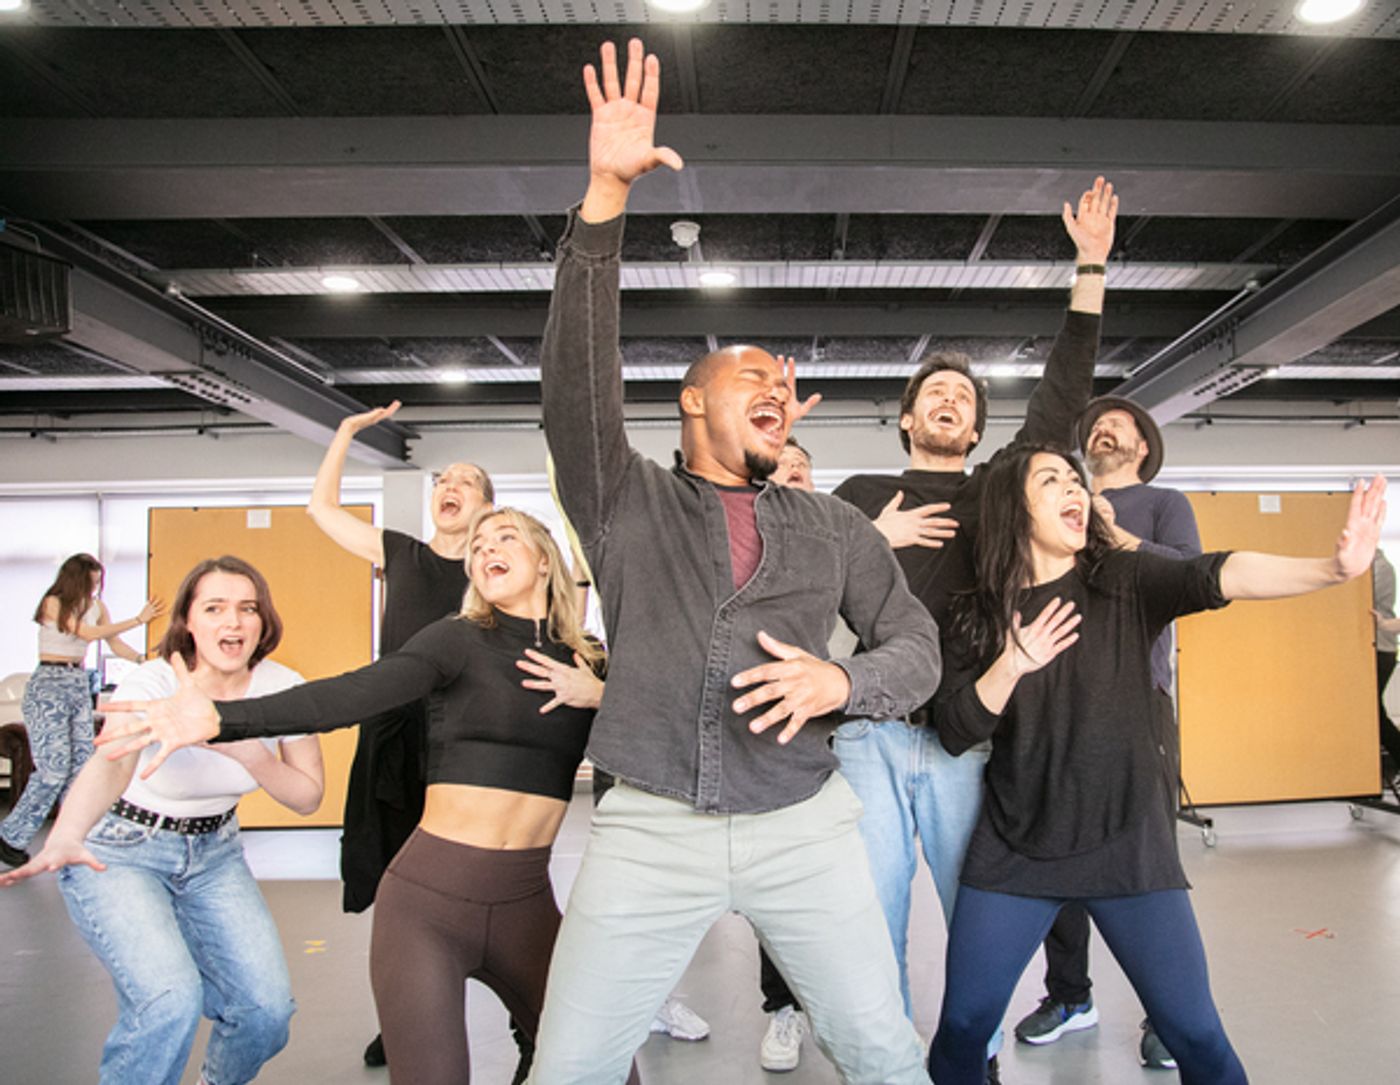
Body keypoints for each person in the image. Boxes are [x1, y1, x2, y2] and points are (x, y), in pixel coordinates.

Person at [526, 39, 942, 1085]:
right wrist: (602, 202)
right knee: (569, 1061)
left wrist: (843, 678)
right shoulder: (625, 500)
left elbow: (915, 644)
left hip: (804, 822)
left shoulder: (829, 523)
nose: (771, 385)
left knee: (883, 1048)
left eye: (781, 381)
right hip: (649, 822)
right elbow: (574, 385)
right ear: (689, 398)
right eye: (744, 374)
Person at [96, 508, 633, 1085]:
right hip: (428, 908)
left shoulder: (592, 659)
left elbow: (669, 730)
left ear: (545, 558)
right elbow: (352, 695)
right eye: (477, 545)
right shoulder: (456, 640)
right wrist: (221, 717)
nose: (484, 549)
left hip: (526, 905)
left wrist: (601, 693)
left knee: (607, 1072)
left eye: (504, 538)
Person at [926, 444, 1386, 1085]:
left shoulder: (1120, 580)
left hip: (1128, 846)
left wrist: (1332, 569)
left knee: (1194, 1032)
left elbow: (1219, 574)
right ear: (1012, 507)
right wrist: (1011, 664)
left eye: (1075, 480)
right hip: (1016, 850)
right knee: (964, 1030)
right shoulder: (973, 612)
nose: (1075, 490)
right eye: (1052, 479)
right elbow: (952, 732)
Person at [827, 170, 1114, 1082]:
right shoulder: (859, 497)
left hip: (963, 738)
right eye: (934, 391)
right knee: (868, 920)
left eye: (964, 394)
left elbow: (1062, 400)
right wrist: (877, 535)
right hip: (869, 735)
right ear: (908, 417)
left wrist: (1091, 273)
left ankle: (971, 1062)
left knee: (976, 919)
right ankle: (882, 1065)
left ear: (977, 424)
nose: (951, 398)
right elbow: (793, 581)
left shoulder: (996, 491)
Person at [0, 555, 324, 1085]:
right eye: (214, 607)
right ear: (188, 621)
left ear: (263, 621)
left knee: (265, 1014)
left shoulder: (283, 686)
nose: (233, 621)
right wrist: (66, 834)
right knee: (168, 1000)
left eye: (248, 608)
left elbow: (308, 797)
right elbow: (112, 766)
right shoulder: (153, 682)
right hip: (122, 850)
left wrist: (247, 752)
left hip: (215, 855)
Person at [1012, 395, 1201, 1070]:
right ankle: (1069, 994)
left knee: (1149, 861)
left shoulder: (1164, 503)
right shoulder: (1061, 500)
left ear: (1143, 445)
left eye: (1120, 422)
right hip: (1052, 702)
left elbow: (1186, 572)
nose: (1104, 425)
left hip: (1140, 699)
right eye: (1096, 420)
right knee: (1057, 853)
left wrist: (1111, 530)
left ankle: (1165, 1014)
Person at [308, 400, 495, 1069]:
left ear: (486, 508)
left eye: (467, 482)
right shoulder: (401, 552)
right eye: (445, 479)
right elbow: (322, 511)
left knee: (451, 883)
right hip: (392, 729)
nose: (451, 487)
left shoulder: (492, 573)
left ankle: (472, 1005)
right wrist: (346, 434)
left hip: (459, 737)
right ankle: (404, 1016)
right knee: (392, 886)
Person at [0, 553, 162, 868]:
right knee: (53, 770)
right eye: (91, 581)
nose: (96, 587)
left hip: (77, 682)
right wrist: (138, 619)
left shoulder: (97, 607)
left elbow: (114, 644)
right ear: (76, 578)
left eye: (98, 581)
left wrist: (144, 661)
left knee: (81, 769)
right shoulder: (53, 603)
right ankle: (9, 837)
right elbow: (85, 634)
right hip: (49, 683)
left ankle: (73, 840)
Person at [1372, 550, 1399, 785]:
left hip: (1381, 648)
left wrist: (1383, 624)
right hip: (1374, 647)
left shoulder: (1380, 568)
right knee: (1371, 714)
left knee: (1373, 715)